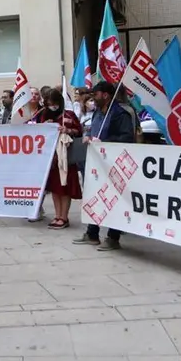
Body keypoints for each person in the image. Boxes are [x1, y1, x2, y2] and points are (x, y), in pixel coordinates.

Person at [73, 81, 135, 250]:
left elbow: (127, 138)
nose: (93, 97)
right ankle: (92, 233)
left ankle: (113, 237)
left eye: (96, 94)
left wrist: (105, 142)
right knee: (95, 198)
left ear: (106, 95)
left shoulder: (121, 114)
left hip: (114, 164)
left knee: (113, 200)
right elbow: (93, 131)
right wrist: (88, 137)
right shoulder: (97, 114)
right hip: (97, 164)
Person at [36, 89, 82, 229]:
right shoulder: (44, 116)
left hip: (67, 158)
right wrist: (45, 127)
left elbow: (79, 131)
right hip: (52, 160)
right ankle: (57, 215)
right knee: (55, 189)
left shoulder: (69, 115)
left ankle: (64, 217)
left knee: (65, 187)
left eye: (55, 103)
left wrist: (68, 130)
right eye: (49, 104)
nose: (52, 106)